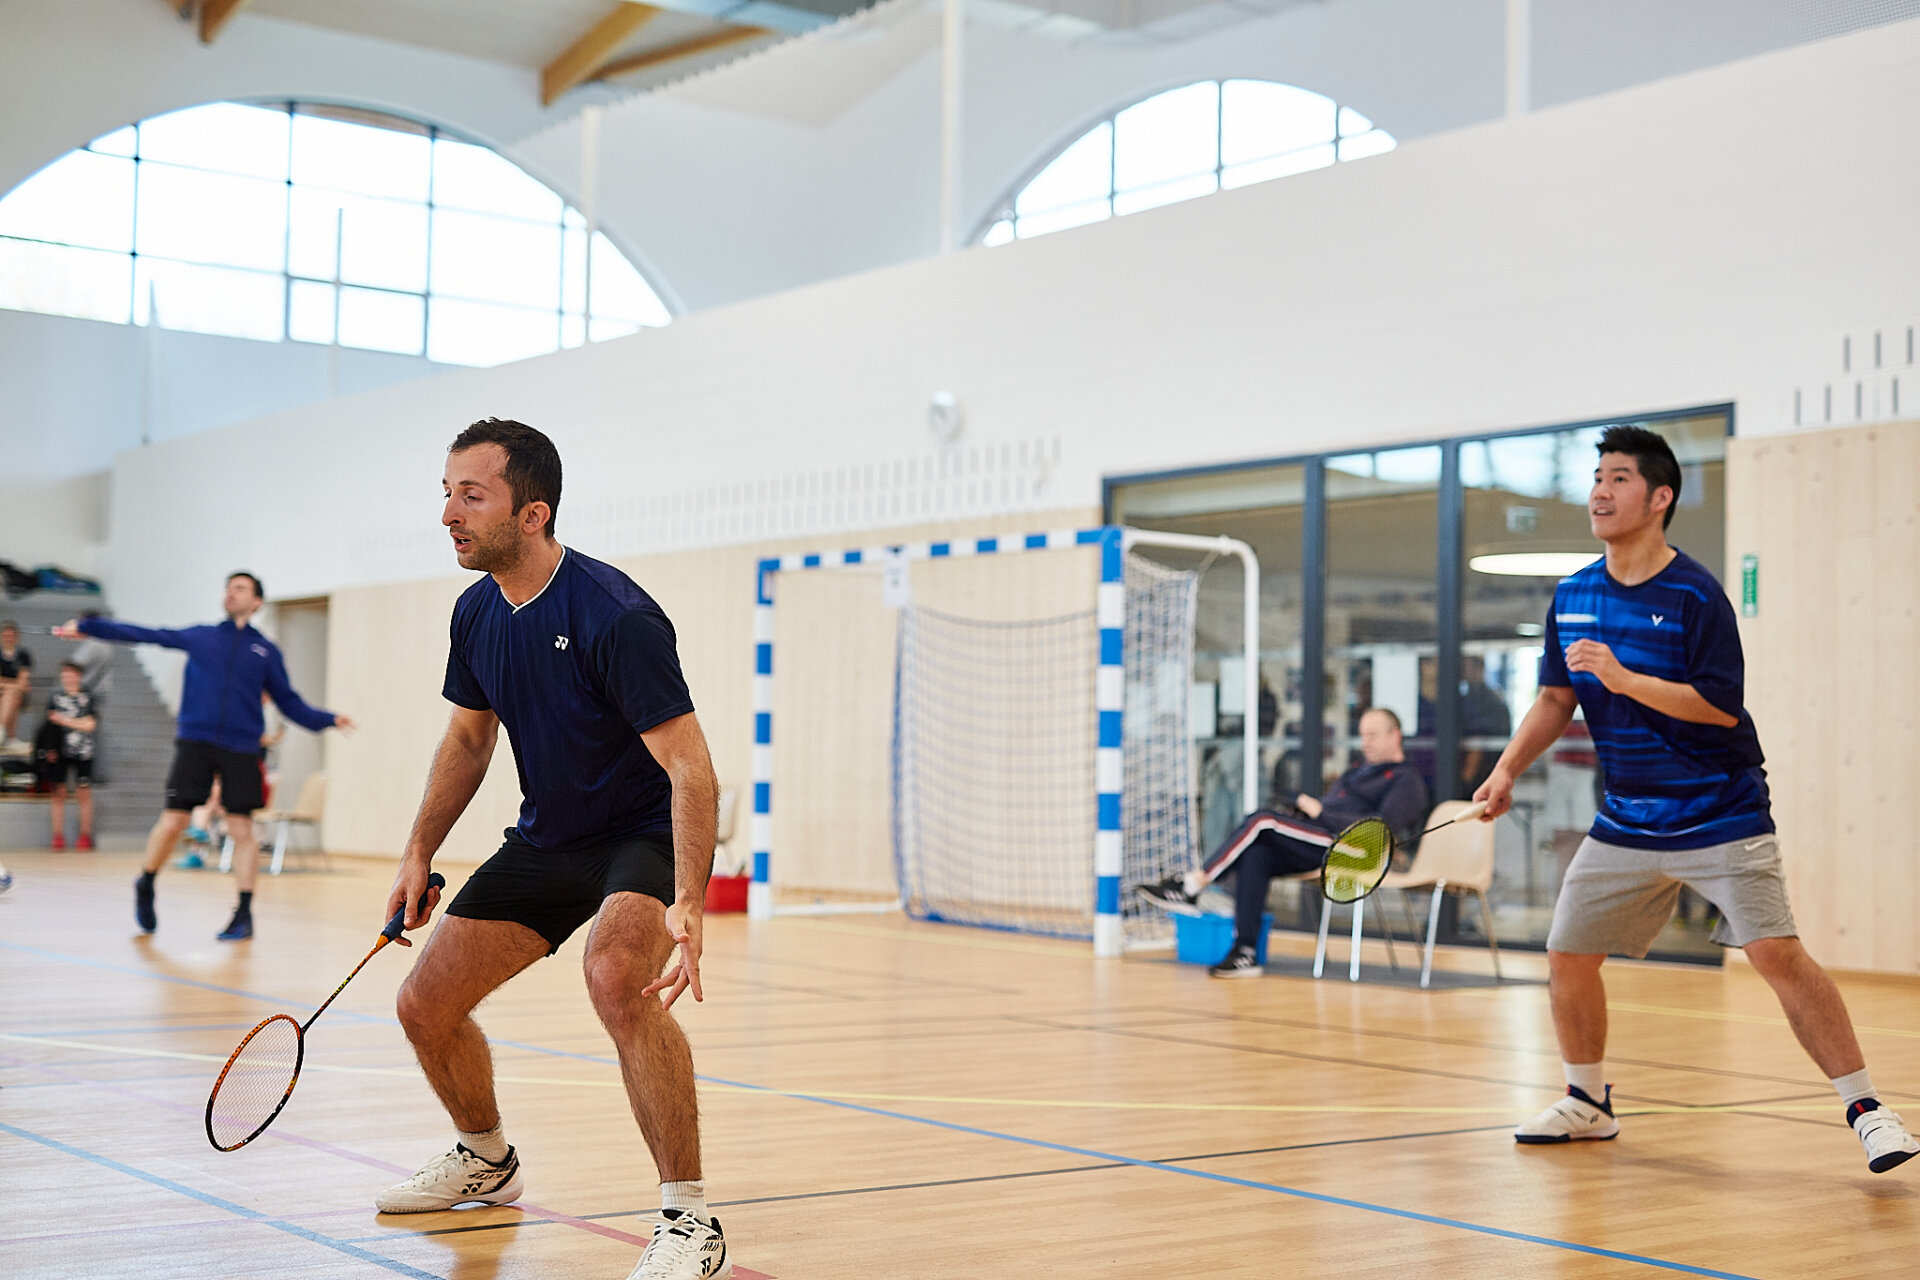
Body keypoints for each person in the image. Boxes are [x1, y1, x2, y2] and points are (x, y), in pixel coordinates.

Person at [1476, 425, 1917, 1174]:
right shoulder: (1573, 595)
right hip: (1627, 817)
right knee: (1568, 954)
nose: (1599, 492)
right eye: (1597, 478)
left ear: (1660, 498)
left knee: (1775, 953)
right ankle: (1587, 1102)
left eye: (1618, 479)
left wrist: (1623, 678)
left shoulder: (1695, 594)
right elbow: (1555, 698)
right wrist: (1507, 769)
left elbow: (1718, 706)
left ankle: (1869, 1111)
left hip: (1720, 809)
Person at [376, 419, 729, 1280]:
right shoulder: (476, 612)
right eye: (447, 494)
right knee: (424, 1004)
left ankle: (690, 1219)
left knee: (615, 978)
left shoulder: (615, 615)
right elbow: (469, 740)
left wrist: (689, 898)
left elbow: (690, 768)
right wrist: (418, 850)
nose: (450, 514)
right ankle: (485, 1158)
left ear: (531, 513)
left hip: (639, 834)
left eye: (472, 496)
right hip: (549, 836)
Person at [59, 573, 354, 941]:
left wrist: (328, 719)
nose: (231, 593)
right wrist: (90, 626)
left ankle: (243, 912)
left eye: (240, 588)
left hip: (242, 747)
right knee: (174, 821)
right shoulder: (202, 636)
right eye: (228, 588)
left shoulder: (265, 651)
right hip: (196, 742)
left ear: (257, 602)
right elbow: (148, 634)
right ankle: (146, 881)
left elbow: (290, 703)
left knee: (242, 828)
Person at [1137, 706, 1429, 978]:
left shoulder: (1406, 780)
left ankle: (1192, 885)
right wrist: (1303, 813)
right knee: (1257, 853)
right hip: (1316, 838)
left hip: (1349, 849)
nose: (1366, 742)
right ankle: (1245, 952)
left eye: (1373, 735)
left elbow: (1382, 830)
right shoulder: (1356, 772)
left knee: (1262, 820)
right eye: (1363, 735)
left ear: (1395, 735)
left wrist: (1321, 812)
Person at [38, 661, 98, 850]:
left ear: (78, 676)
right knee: (58, 794)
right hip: (60, 751)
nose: (68, 678)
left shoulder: (87, 697)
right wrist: (50, 748)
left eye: (71, 674)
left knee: (84, 793)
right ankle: (57, 836)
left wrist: (64, 720)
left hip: (83, 751)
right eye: (65, 675)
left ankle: (85, 836)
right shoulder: (56, 698)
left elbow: (91, 724)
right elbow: (50, 724)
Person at [0, 620, 33, 752]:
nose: (8, 639)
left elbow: (22, 680)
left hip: (12, 693)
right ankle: (9, 737)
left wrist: (9, 685)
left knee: (13, 696)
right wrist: (12, 685)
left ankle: (3, 732)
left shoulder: (23, 655)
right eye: (6, 636)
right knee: (13, 694)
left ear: (16, 637)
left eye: (11, 636)